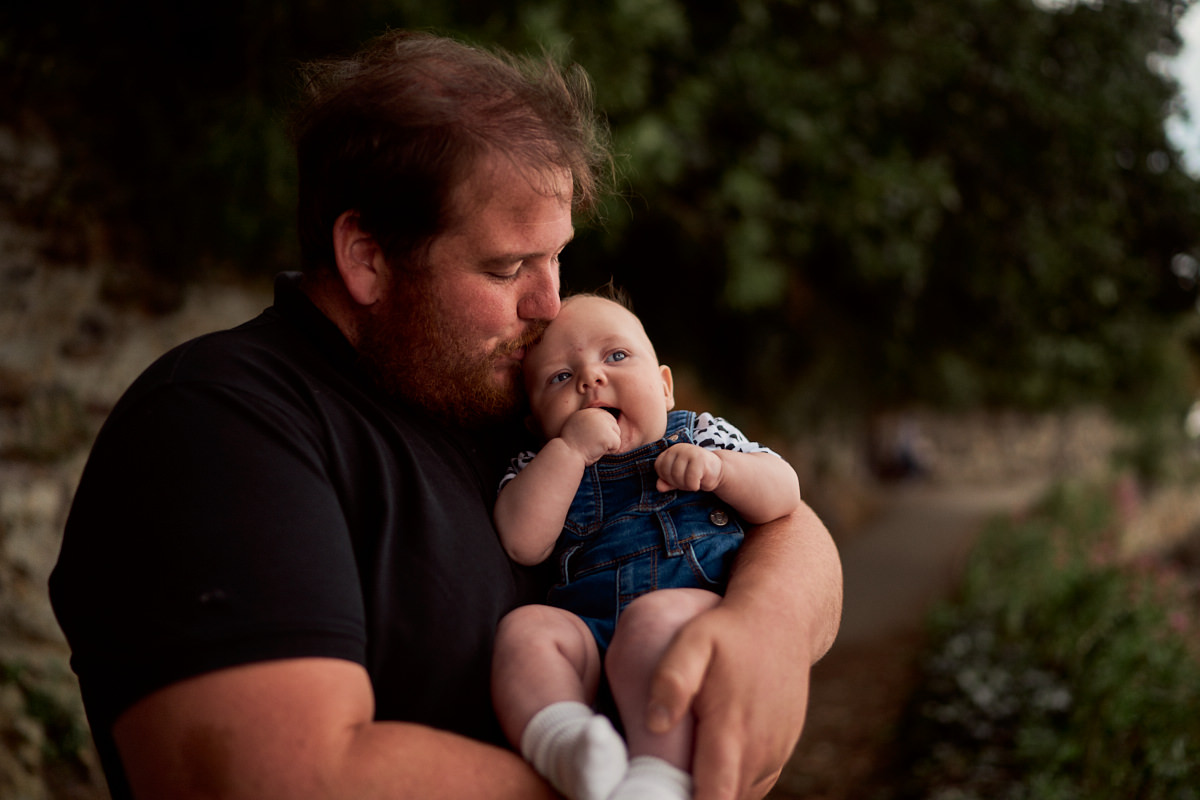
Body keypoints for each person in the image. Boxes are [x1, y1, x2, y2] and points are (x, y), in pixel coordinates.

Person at [48, 29, 842, 800]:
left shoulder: (498, 386)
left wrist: (766, 633)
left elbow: (783, 517)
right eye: (506, 266)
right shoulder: (220, 425)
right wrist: (655, 777)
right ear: (368, 257)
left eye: (556, 256)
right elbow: (277, 778)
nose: (550, 303)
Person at [490, 291, 803, 800]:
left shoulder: (701, 433)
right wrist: (568, 451)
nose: (591, 379)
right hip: (589, 639)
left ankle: (659, 779)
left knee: (652, 622)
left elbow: (785, 492)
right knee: (526, 631)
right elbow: (522, 542)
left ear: (664, 388)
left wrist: (723, 470)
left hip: (686, 625)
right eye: (559, 378)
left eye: (616, 356)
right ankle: (568, 746)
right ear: (535, 421)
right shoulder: (540, 462)